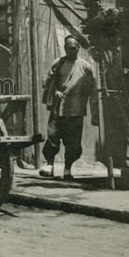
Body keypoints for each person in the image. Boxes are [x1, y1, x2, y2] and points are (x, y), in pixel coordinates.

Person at [39, 35, 97, 180]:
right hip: (58, 109)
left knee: (73, 143)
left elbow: (93, 89)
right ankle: (50, 165)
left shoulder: (85, 66)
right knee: (53, 137)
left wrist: (94, 111)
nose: (69, 51)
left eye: (72, 48)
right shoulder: (58, 63)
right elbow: (48, 83)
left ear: (78, 48)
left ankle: (67, 169)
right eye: (67, 48)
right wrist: (55, 92)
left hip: (76, 110)